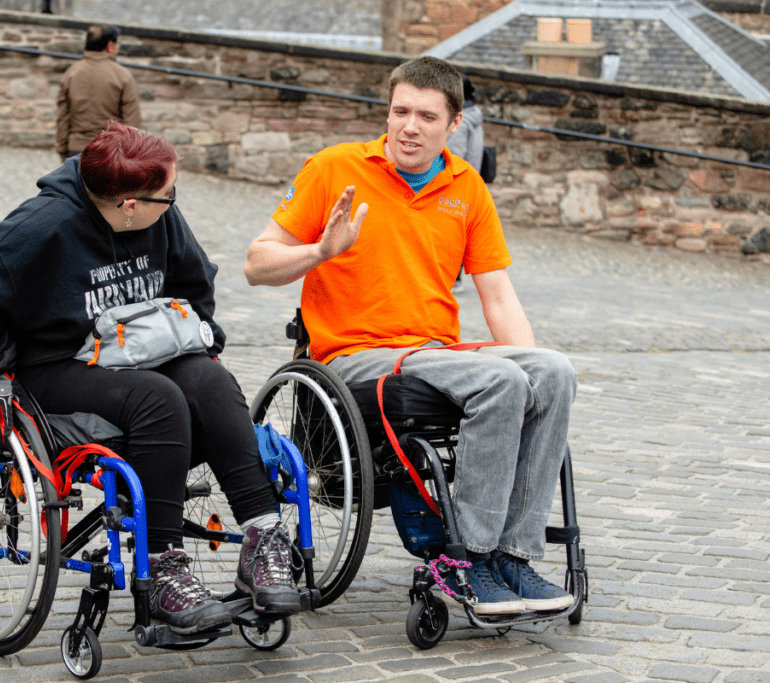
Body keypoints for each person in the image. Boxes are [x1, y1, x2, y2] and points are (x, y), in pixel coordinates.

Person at [0, 122, 302, 635]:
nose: (173, 202)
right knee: (159, 398)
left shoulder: (160, 215)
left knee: (212, 383)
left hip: (136, 349)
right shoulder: (45, 223)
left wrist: (199, 338)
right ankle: (166, 568)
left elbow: (195, 280)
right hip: (55, 363)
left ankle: (263, 538)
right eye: (166, 196)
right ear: (130, 205)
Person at [244, 57, 577, 616]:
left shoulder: (465, 186)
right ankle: (465, 559)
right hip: (353, 357)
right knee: (498, 380)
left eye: (426, 116)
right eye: (400, 111)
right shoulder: (335, 168)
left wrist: (535, 370)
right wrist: (320, 252)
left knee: (554, 372)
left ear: (454, 125)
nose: (409, 126)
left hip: (433, 353)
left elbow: (497, 295)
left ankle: (512, 558)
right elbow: (256, 264)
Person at [55, 23, 141, 162]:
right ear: (110, 46)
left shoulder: (71, 73)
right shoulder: (122, 76)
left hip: (76, 151)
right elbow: (132, 121)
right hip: (110, 152)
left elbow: (63, 117)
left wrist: (62, 148)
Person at [446, 74, 484, 294]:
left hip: (457, 182)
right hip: (470, 179)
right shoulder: (474, 115)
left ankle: (453, 278)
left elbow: (454, 156)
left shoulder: (461, 122)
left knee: (452, 230)